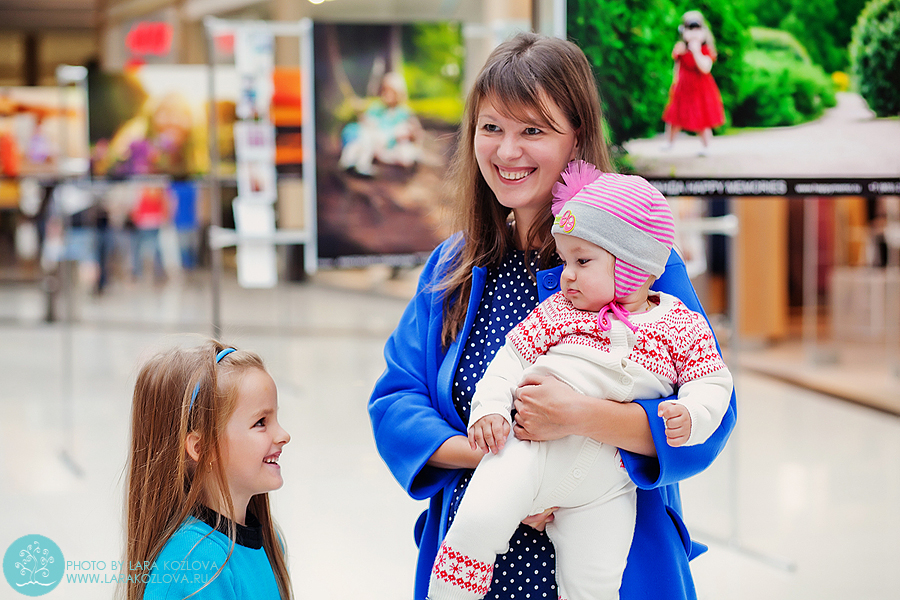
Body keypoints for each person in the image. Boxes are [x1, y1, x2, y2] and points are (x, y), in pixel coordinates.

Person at [368, 31, 737, 600]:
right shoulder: (454, 265)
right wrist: (509, 468)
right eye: (491, 127)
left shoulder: (639, 261)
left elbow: (709, 414)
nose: (506, 151)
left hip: (615, 566)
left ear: (577, 140)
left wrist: (582, 420)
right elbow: (397, 404)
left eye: (532, 131)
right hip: (480, 569)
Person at [427, 163, 733, 600]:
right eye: (566, 260)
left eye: (582, 260)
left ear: (634, 266)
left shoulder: (678, 323)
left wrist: (692, 414)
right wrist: (491, 408)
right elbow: (510, 359)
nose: (567, 274)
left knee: (596, 576)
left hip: (608, 483)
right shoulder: (560, 312)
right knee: (479, 519)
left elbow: (712, 381)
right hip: (529, 452)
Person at [124, 340, 293, 600]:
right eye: (261, 422)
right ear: (202, 447)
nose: (283, 435)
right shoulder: (193, 566)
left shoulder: (271, 543)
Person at [661, 10, 725, 156]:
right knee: (674, 117)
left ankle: (707, 146)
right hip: (683, 88)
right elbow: (677, 67)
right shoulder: (680, 49)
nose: (694, 33)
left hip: (700, 90)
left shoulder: (705, 50)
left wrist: (696, 52)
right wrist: (674, 82)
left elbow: (705, 68)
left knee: (702, 118)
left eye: (697, 29)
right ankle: (669, 142)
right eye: (690, 29)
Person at [339, 71, 423, 177]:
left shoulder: (404, 112)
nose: (387, 95)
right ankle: (350, 163)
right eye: (385, 91)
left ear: (399, 93)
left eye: (391, 92)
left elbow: (415, 133)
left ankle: (360, 164)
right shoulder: (376, 108)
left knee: (405, 154)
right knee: (360, 141)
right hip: (372, 140)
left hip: (389, 145)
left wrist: (407, 134)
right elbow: (366, 121)